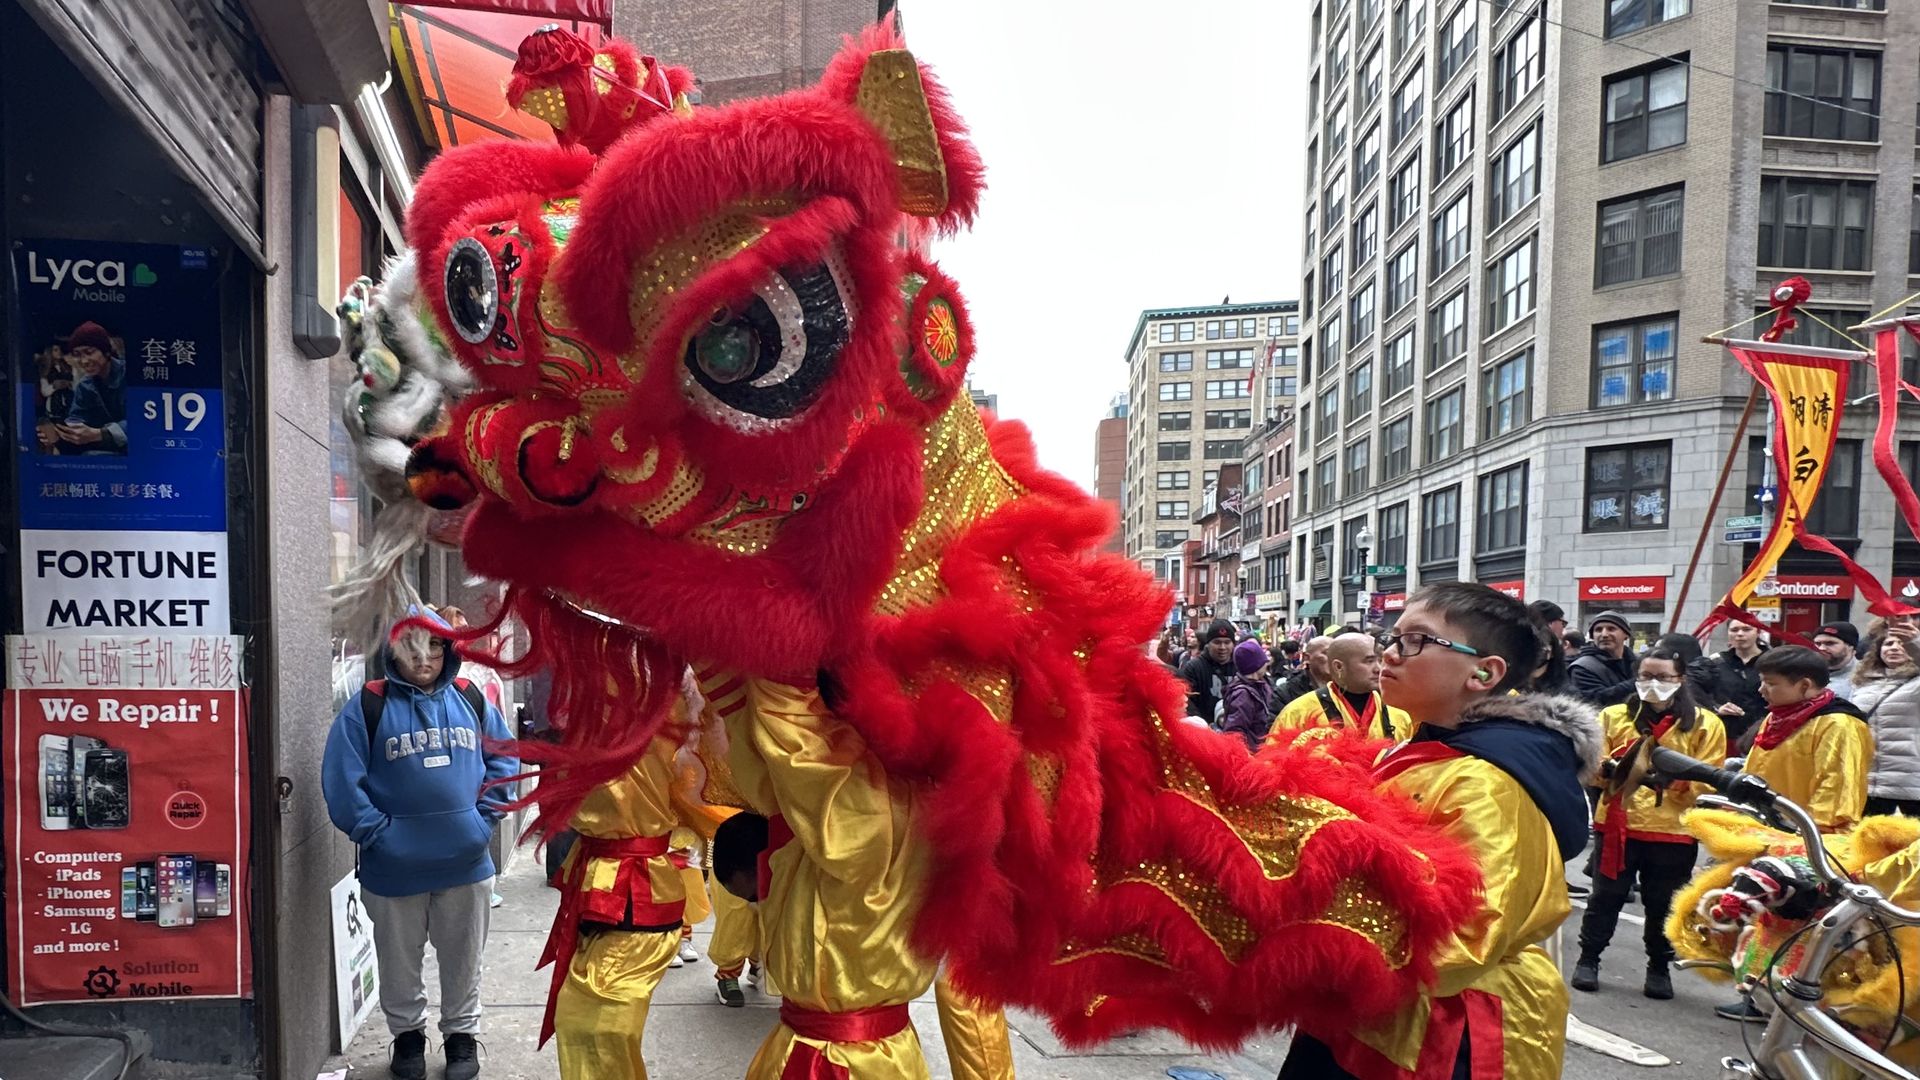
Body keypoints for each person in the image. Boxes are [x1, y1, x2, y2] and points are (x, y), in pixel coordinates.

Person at [1276, 583, 1601, 1080]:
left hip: (1444, 1035)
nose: (1389, 652)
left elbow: (1465, 936)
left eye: (1416, 641)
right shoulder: (1421, 749)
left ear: (1484, 672)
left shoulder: (1486, 782)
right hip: (1372, 1012)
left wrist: (1307, 946)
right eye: (1393, 637)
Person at [322, 610, 519, 1080]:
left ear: (449, 648)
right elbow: (342, 783)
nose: (424, 656)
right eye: (411, 645)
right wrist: (377, 834)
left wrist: (482, 823)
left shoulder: (470, 698)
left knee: (463, 958)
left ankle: (461, 1039)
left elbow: (504, 761)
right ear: (391, 649)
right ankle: (407, 1038)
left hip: (466, 864)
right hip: (393, 871)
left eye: (434, 645)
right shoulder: (367, 706)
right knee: (398, 961)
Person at [1715, 644, 1873, 1022]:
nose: (1761, 691)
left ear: (1805, 685)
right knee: (1765, 927)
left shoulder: (1839, 724)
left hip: (1810, 844)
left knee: (1801, 931)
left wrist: (1801, 842)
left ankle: (1798, 1010)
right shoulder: (1780, 718)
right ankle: (1759, 996)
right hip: (1770, 835)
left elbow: (1837, 796)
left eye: (1770, 683)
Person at [1571, 649, 1726, 1000]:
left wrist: (1675, 781)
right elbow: (1591, 766)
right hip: (1618, 822)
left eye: (1664, 678)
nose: (1653, 685)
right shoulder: (1611, 716)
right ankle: (1588, 958)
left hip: (1674, 828)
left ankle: (1658, 967)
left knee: (1663, 902)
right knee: (1605, 897)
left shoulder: (1705, 723)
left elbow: (1710, 774)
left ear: (1681, 679)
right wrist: (1614, 770)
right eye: (1646, 677)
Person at [1268, 633, 1412, 743]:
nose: (1378, 668)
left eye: (1380, 660)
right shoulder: (1299, 713)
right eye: (1369, 661)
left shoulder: (1400, 714)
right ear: (1338, 667)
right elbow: (1274, 768)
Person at [1859, 619, 1920, 817]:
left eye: (1901, 644)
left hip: (1911, 781)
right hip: (1869, 781)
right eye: (1888, 643)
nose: (1894, 648)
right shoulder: (1862, 682)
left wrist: (1914, 642)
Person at [45, 322, 127, 455]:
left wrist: (100, 434)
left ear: (106, 352)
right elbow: (77, 419)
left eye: (89, 352)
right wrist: (59, 434)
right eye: (77, 354)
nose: (84, 361)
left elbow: (141, 421)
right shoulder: (85, 385)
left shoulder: (130, 376)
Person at [1708, 621, 1769, 743]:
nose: (1740, 634)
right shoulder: (1716, 662)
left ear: (1758, 632)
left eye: (1746, 629)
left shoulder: (1772, 661)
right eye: (1734, 630)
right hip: (1725, 733)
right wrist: (1717, 708)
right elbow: (1701, 695)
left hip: (1764, 733)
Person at [1569, 611, 1637, 707]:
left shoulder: (1639, 662)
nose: (1604, 634)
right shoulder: (1582, 667)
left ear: (1626, 634)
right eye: (1598, 630)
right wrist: (1637, 683)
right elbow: (1595, 701)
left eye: (1611, 629)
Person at [1178, 619, 1238, 724]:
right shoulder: (1194, 668)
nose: (1222, 647)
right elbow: (1187, 701)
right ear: (1208, 643)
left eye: (1227, 642)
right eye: (1217, 642)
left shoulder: (1240, 667)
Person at [1221, 639, 1276, 751]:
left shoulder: (1262, 685)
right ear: (1256, 665)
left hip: (1262, 752)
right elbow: (1235, 731)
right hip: (1252, 756)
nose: (1267, 663)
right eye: (1263, 661)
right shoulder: (1243, 694)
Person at [1273, 634, 1334, 710]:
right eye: (1327, 653)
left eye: (1337, 654)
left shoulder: (1345, 687)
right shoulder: (1287, 692)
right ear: (1307, 658)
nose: (1334, 658)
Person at [1813, 621, 1861, 701]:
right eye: (1818, 644)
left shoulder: (1866, 676)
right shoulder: (1805, 673)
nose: (1821, 648)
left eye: (1830, 643)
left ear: (1850, 646)